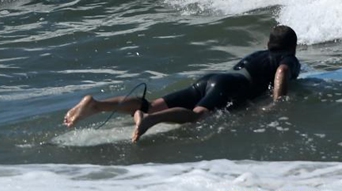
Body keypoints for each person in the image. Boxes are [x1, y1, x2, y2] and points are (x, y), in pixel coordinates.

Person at [63, 25, 301, 142]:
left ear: (269, 43)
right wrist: (278, 101)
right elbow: (282, 71)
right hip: (229, 85)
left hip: (212, 78)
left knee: (151, 103)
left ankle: (97, 104)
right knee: (197, 115)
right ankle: (151, 121)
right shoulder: (286, 58)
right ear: (292, 46)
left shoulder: (258, 55)